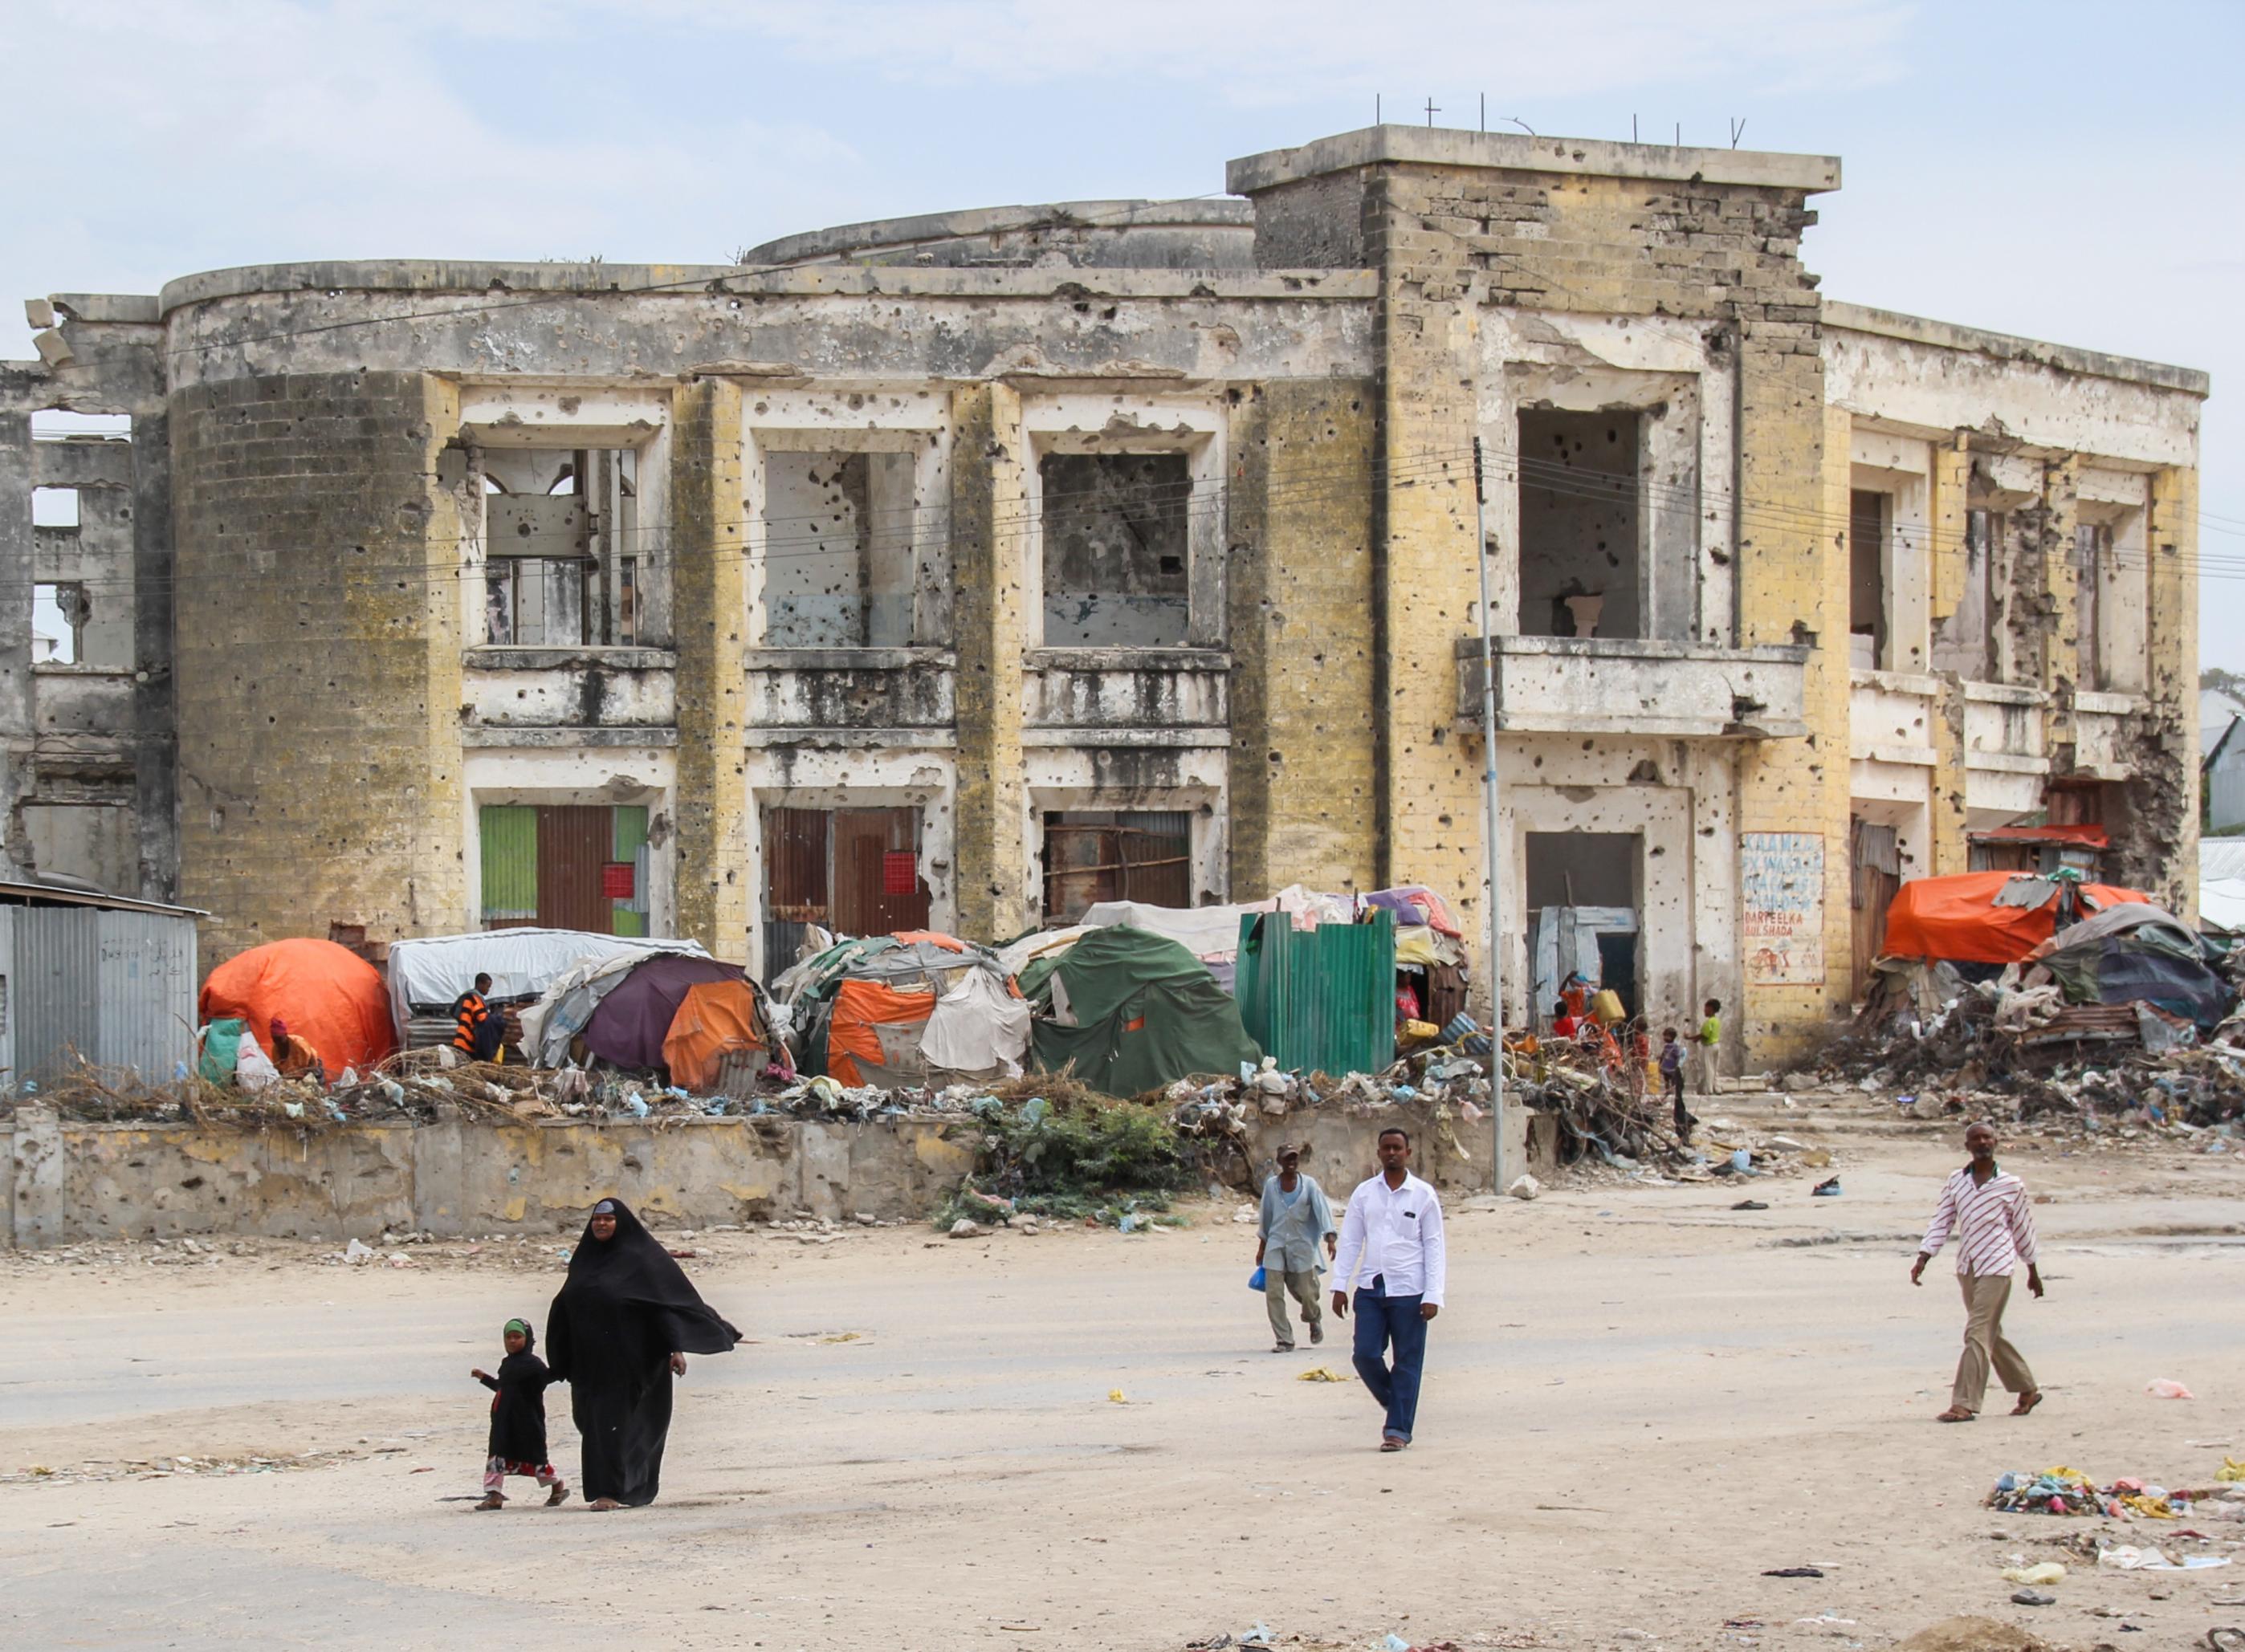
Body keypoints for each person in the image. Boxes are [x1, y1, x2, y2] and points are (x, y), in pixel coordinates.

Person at [546, 1197, 741, 1508]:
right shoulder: (585, 1260)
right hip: (590, 1364)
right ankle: (629, 1487)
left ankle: (609, 1492)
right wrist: (560, 1359)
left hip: (634, 1362)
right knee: (591, 1425)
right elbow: (566, 1306)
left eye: (608, 1220)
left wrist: (675, 1349)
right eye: (597, 1219)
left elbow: (664, 1305)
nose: (601, 1224)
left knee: (618, 1426)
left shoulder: (643, 1259)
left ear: (620, 1223)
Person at [1911, 1121, 2043, 1423]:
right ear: (1967, 1145)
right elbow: (1942, 1220)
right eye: (1976, 1138)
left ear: (1996, 1142)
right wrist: (1924, 1255)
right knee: (1988, 1333)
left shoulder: (2011, 1185)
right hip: (1968, 1265)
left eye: (1987, 1137)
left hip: (1998, 1265)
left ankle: (1964, 1403)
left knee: (1975, 1332)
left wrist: (2032, 1270)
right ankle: (2027, 1387)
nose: (1982, 1142)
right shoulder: (1957, 1181)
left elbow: (2023, 1229)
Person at [1328, 1128, 1447, 1451]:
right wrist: (1339, 1285)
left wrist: (1433, 1294)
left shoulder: (1423, 1195)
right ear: (1378, 1153)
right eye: (1386, 1148)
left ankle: (1397, 1430)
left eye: (1398, 1148)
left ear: (1408, 1152)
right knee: (1365, 1355)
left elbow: (1434, 1246)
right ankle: (1398, 1403)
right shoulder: (1365, 1194)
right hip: (1371, 1286)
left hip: (1410, 1290)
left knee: (1407, 1361)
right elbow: (1351, 1240)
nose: (1392, 1153)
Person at [470, 1317, 568, 1510]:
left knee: (536, 1459)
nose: (512, 1341)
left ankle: (557, 1486)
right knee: (497, 1457)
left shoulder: (533, 1365)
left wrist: (566, 1367)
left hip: (526, 1422)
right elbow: (502, 1388)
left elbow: (548, 1377)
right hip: (503, 1421)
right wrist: (484, 1378)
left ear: (528, 1339)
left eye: (517, 1337)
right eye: (509, 1337)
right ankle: (494, 1495)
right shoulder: (507, 1364)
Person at [1256, 1145, 1337, 1352]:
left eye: (1294, 1158)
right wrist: (1262, 1247)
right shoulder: (1272, 1186)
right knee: (1274, 1294)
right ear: (1279, 1161)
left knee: (1308, 1293)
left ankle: (1313, 1319)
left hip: (1302, 1246)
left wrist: (1330, 1237)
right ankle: (1284, 1340)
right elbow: (1265, 1217)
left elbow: (1322, 1211)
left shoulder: (1309, 1185)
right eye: (1287, 1159)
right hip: (1276, 1244)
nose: (1291, 1162)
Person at [452, 973, 503, 1062]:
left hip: (461, 1038)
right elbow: (483, 1018)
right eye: (488, 986)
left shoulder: (467, 996)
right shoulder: (474, 998)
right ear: (480, 984)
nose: (488, 990)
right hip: (466, 1040)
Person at [1658, 1027, 1693, 1141]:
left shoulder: (1674, 1047)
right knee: (1666, 1079)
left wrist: (1677, 1065)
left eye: (1667, 1036)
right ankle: (1668, 1090)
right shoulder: (1667, 1047)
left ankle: (1671, 1089)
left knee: (1672, 1080)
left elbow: (1679, 1056)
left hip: (1671, 1068)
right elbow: (1663, 1055)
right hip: (1666, 1067)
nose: (1665, 1038)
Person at [267, 1016, 324, 1084]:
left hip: (311, 1069)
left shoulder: (298, 1043)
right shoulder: (275, 1049)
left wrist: (305, 1076)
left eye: (279, 1039)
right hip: (294, 1076)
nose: (277, 1042)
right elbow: (280, 1070)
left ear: (285, 1035)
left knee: (315, 1087)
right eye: (274, 1039)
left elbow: (310, 1063)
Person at [1693, 998, 1722, 1096]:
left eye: (1706, 1008)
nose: (1704, 1010)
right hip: (1717, 1045)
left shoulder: (1709, 1022)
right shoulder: (1716, 1021)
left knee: (1708, 1068)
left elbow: (1705, 1035)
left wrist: (1691, 1037)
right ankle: (1717, 1088)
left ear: (1711, 1009)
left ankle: (1709, 1089)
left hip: (1709, 1046)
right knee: (1715, 1068)